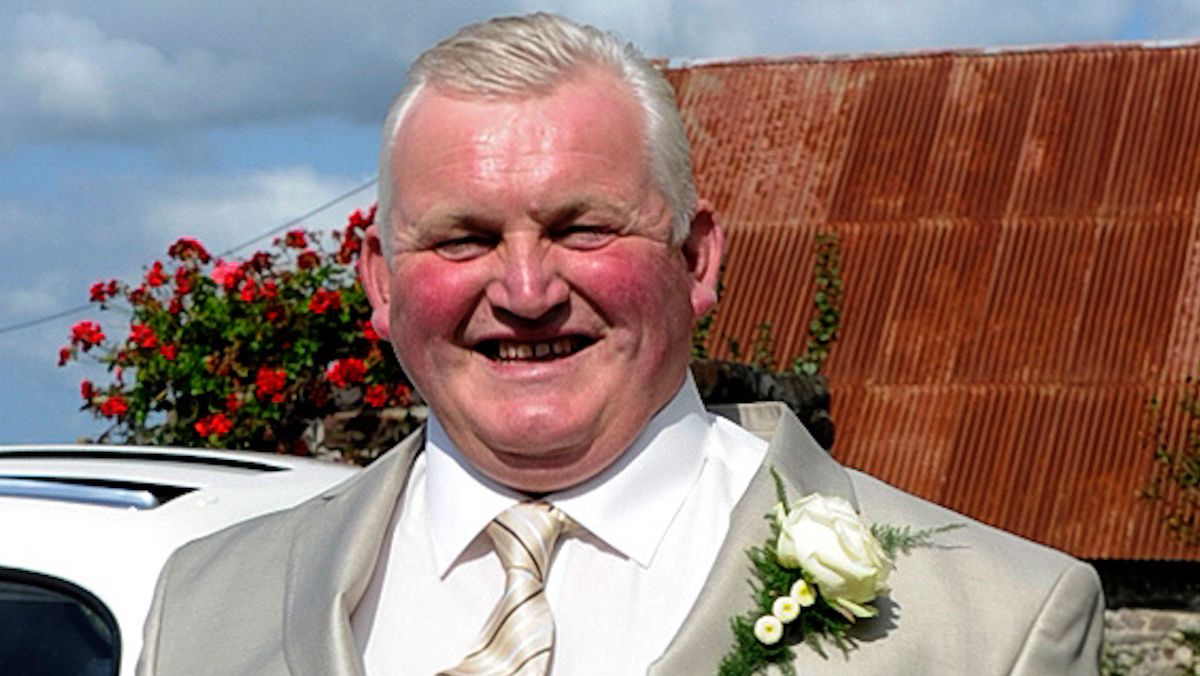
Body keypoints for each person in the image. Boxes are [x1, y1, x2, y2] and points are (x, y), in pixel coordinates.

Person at [138, 13, 1103, 675]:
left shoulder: (989, 624)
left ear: (696, 257)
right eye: (464, 239)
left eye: (583, 229)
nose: (525, 292)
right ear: (382, 283)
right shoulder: (207, 604)